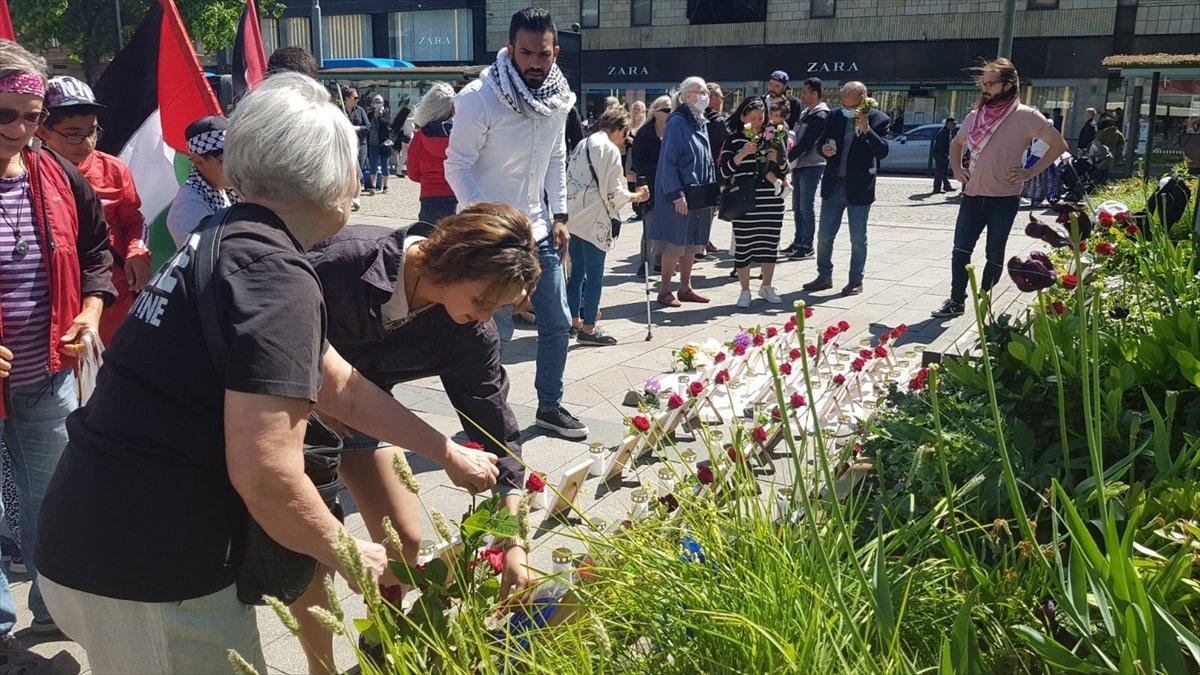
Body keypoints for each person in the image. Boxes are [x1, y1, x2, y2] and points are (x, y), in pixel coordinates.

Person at [36, 72, 500, 674]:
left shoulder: (228, 235)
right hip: (151, 569)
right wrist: (353, 554)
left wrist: (445, 450)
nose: (358, 187)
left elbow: (339, 383)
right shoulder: (275, 276)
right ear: (331, 180)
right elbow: (266, 473)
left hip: (97, 535)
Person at [301, 203, 540, 672]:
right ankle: (319, 664)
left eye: (496, 307)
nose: (485, 315)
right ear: (455, 263)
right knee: (318, 556)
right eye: (482, 300)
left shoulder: (470, 332)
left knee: (405, 540)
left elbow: (493, 430)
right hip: (290, 408)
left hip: (369, 414)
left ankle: (381, 639)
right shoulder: (342, 263)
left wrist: (515, 544)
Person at [0, 40, 116, 650]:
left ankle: (54, 609)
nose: (22, 129)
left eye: (31, 114)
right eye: (6, 115)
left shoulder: (58, 173)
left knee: (57, 497)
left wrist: (92, 310)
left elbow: (98, 252)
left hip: (49, 374)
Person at [444, 8, 588, 439]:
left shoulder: (559, 99)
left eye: (542, 54)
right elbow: (458, 166)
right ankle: (486, 417)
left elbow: (556, 159)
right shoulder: (478, 97)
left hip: (539, 229)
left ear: (555, 52)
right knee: (495, 329)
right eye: (524, 52)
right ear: (510, 49)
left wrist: (560, 213)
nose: (533, 62)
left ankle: (549, 406)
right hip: (491, 233)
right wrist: (484, 215)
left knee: (559, 320)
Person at [931, 58, 1067, 318]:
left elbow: (1059, 144)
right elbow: (956, 144)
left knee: (994, 253)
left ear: (1008, 84)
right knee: (960, 251)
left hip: (1004, 199)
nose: (985, 88)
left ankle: (984, 301)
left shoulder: (1026, 116)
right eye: (982, 83)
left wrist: (1030, 171)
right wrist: (958, 168)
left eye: (990, 83)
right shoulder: (975, 116)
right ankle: (956, 301)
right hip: (972, 197)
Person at [38, 75, 150, 345]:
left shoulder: (114, 170)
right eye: (73, 134)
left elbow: (134, 222)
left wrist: (138, 254)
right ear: (42, 130)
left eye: (92, 131)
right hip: (53, 301)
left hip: (112, 295)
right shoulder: (27, 174)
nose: (87, 143)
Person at [565, 106, 649, 345]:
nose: (624, 141)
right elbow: (612, 192)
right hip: (594, 219)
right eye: (625, 134)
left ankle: (574, 322)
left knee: (576, 273)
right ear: (620, 129)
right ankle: (589, 328)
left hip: (574, 216)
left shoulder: (583, 144)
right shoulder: (609, 149)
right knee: (594, 276)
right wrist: (637, 196)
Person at [803, 81, 890, 297]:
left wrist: (867, 130)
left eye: (851, 106)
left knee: (858, 238)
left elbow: (883, 151)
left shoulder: (879, 119)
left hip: (859, 187)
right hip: (834, 185)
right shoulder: (834, 116)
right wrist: (824, 149)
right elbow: (821, 142)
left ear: (863, 100)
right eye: (844, 104)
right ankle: (824, 276)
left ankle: (855, 281)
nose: (847, 109)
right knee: (824, 236)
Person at [649, 76, 716, 307]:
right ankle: (665, 289)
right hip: (678, 194)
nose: (705, 95)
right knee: (674, 243)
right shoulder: (678, 121)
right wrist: (677, 194)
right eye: (700, 91)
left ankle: (686, 287)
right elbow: (669, 161)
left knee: (691, 241)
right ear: (687, 96)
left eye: (706, 90)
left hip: (697, 193)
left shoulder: (700, 121)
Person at [719, 97, 786, 308]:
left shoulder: (772, 137)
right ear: (743, 118)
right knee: (744, 245)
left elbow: (785, 171)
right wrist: (742, 154)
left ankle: (766, 285)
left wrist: (778, 161)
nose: (758, 121)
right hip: (744, 200)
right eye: (754, 118)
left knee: (769, 243)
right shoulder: (734, 140)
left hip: (770, 200)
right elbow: (723, 172)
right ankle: (744, 290)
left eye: (761, 117)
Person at [165, 115, 237, 247]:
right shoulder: (188, 208)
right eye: (225, 160)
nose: (234, 165)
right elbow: (206, 261)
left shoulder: (225, 188)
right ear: (198, 161)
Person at [785, 76, 828, 260]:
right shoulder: (806, 113)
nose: (801, 95)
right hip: (800, 165)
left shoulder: (821, 114)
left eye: (805, 92)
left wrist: (786, 160)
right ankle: (798, 241)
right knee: (797, 206)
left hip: (812, 164)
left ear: (815, 94)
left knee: (805, 206)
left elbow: (807, 143)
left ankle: (807, 245)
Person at [632, 94, 672, 278]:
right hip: (651, 186)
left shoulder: (673, 130)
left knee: (667, 226)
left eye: (671, 109)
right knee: (650, 225)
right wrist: (659, 169)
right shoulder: (644, 134)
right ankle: (645, 263)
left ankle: (661, 262)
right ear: (655, 113)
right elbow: (638, 163)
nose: (669, 113)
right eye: (665, 110)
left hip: (670, 185)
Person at [407, 83, 457, 224]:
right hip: (456, 196)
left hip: (429, 198)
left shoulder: (419, 138)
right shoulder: (461, 136)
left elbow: (413, 174)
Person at [343, 87, 370, 188]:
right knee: (348, 167)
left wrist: (357, 128)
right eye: (355, 97)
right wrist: (342, 120)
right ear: (348, 98)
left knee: (359, 165)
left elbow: (367, 126)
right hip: (345, 144)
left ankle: (356, 188)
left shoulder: (360, 110)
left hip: (360, 142)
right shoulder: (340, 110)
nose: (357, 99)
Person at [365, 95, 392, 194]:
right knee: (373, 165)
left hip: (384, 143)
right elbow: (367, 126)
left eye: (379, 101)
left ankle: (385, 186)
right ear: (372, 103)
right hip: (373, 143)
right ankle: (373, 186)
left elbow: (388, 124)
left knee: (385, 165)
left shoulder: (386, 113)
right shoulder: (370, 114)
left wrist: (380, 115)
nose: (377, 102)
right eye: (376, 101)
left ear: (383, 103)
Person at [930, 116, 957, 194]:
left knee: (944, 171)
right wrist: (945, 154)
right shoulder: (943, 132)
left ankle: (946, 186)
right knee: (939, 171)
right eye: (953, 124)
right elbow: (941, 145)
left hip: (944, 154)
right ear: (948, 124)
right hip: (940, 154)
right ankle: (936, 188)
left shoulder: (948, 131)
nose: (954, 126)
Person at [1094, 114, 1124, 183]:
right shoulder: (1117, 132)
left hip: (1101, 156)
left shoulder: (1102, 133)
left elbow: (1096, 144)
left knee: (1098, 175)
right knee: (1105, 174)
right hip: (1111, 156)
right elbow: (1122, 143)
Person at [391, 106, 414, 178]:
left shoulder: (404, 120)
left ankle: (399, 170)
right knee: (408, 156)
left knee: (404, 156)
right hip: (409, 139)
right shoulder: (408, 120)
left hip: (405, 139)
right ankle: (406, 170)